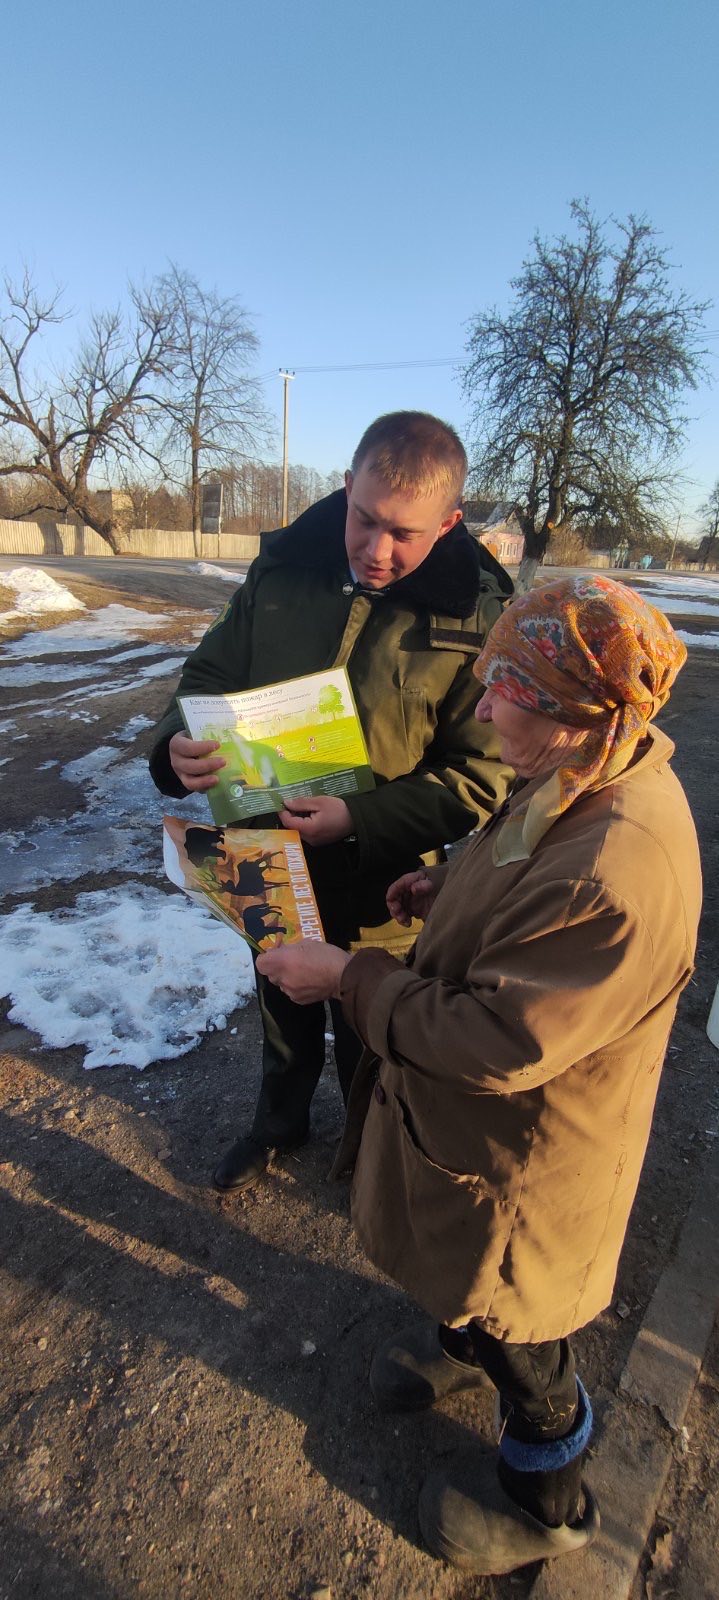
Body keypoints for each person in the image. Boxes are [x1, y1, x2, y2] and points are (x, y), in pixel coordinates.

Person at [256, 575, 702, 1576]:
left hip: (525, 1162)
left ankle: (548, 1501)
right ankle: (460, 1345)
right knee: (466, 1280)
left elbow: (496, 1041)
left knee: (520, 1328)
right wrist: (447, 881)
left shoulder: (613, 869)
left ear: (573, 709)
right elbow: (516, 850)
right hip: (475, 1138)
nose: (485, 708)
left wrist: (345, 977)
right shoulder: (586, 765)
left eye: (508, 690)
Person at [149, 411, 514, 1192]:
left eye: (404, 534)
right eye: (364, 519)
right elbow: (208, 675)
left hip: (382, 871)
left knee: (369, 1023)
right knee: (279, 994)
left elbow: (482, 775)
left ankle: (370, 1154)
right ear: (346, 489)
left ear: (448, 523)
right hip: (263, 848)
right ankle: (277, 1123)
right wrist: (177, 739)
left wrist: (361, 818)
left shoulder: (476, 614)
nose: (376, 550)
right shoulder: (283, 568)